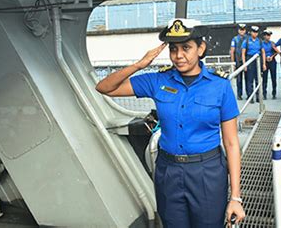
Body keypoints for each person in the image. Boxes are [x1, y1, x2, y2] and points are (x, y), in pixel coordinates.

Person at [95, 18, 245, 227]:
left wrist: (235, 197)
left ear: (201, 48)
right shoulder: (158, 81)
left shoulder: (220, 86)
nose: (178, 56)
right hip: (168, 172)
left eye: (186, 48)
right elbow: (105, 88)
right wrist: (140, 64)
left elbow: (231, 143)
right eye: (173, 49)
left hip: (207, 172)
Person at [241, 25, 266, 103]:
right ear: (251, 32)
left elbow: (263, 52)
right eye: (253, 32)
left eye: (256, 32)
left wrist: (264, 64)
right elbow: (243, 53)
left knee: (258, 79)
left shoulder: (260, 41)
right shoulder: (247, 41)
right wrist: (244, 64)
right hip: (250, 60)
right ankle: (250, 97)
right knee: (250, 80)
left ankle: (258, 97)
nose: (255, 34)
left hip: (258, 60)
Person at [230, 23, 248, 100]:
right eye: (241, 30)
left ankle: (249, 94)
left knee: (248, 79)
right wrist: (233, 62)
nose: (242, 31)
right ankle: (239, 94)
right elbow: (232, 51)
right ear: (238, 30)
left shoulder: (248, 38)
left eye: (243, 30)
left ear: (245, 30)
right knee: (239, 79)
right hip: (238, 61)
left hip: (247, 60)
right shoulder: (235, 39)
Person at [261, 30, 280, 99]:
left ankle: (274, 93)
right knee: (264, 78)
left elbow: (277, 52)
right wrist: (265, 59)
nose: (268, 37)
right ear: (264, 36)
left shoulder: (272, 43)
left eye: (269, 35)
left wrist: (272, 56)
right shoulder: (261, 44)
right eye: (266, 35)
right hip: (265, 61)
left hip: (272, 61)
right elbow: (261, 53)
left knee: (273, 77)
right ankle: (264, 93)